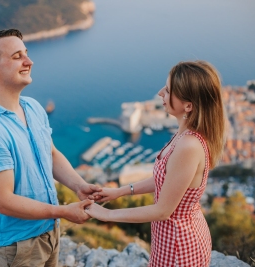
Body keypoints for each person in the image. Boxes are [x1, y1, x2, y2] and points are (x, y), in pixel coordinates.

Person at [0, 29, 101, 267]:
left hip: (49, 232)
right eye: (17, 56)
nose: (29, 61)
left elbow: (51, 154)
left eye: (26, 54)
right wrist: (62, 211)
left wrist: (79, 186)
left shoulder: (33, 107)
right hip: (17, 246)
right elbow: (3, 202)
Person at [85, 61, 226, 267]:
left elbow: (162, 211)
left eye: (168, 90)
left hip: (180, 247)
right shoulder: (184, 134)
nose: (160, 93)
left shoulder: (189, 145)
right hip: (171, 239)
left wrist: (106, 214)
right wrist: (120, 192)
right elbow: (168, 181)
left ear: (188, 105)